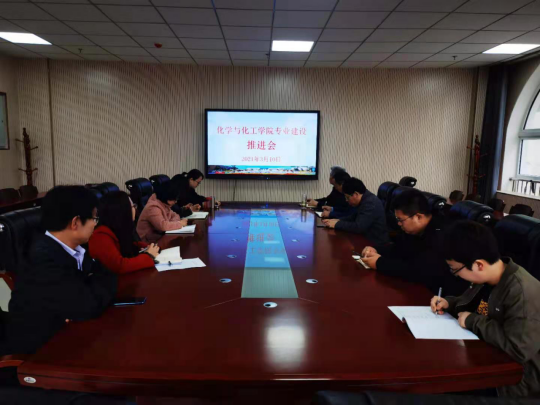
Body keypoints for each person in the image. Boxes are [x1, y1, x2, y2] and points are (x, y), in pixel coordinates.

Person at [3, 186, 117, 356]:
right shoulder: (42, 258)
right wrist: (90, 291)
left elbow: (109, 274)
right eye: (94, 218)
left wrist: (87, 292)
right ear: (75, 222)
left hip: (68, 335)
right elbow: (88, 306)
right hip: (39, 353)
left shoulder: (75, 248)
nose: (96, 223)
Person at [431, 221, 540, 398]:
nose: (456, 275)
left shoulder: (521, 292)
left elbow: (518, 349)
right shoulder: (486, 278)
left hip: (513, 382)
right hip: (483, 356)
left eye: (455, 270)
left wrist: (473, 321)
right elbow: (471, 305)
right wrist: (448, 303)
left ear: (478, 265)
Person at [362, 189, 470, 297]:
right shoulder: (413, 230)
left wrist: (379, 263)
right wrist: (376, 250)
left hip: (440, 296)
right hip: (418, 287)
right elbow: (399, 249)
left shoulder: (441, 233)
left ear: (418, 217)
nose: (399, 224)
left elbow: (418, 270)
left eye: (401, 220)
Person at [89, 191, 159, 274]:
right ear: (123, 211)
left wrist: (146, 247)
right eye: (133, 206)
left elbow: (126, 245)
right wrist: (148, 256)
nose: (135, 209)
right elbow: (120, 266)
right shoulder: (100, 236)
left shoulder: (118, 228)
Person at [322, 178, 389, 246]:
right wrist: (337, 220)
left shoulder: (370, 203)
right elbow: (353, 217)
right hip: (364, 239)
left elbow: (359, 227)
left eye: (347, 197)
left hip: (375, 244)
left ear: (356, 194)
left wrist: (337, 224)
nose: (346, 200)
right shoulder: (365, 198)